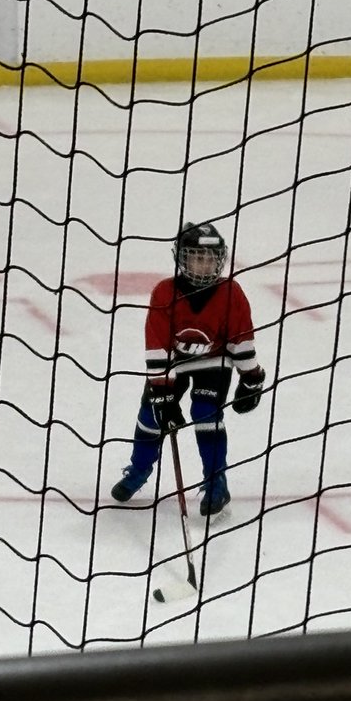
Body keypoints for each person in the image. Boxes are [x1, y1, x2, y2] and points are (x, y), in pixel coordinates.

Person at [111, 221, 266, 516]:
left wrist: (251, 377)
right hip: (173, 362)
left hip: (215, 360)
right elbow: (157, 344)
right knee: (150, 417)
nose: (205, 264)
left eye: (210, 258)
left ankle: (216, 481)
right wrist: (162, 393)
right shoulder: (164, 292)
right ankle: (139, 469)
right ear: (182, 257)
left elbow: (241, 339)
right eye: (197, 256)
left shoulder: (231, 292)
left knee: (205, 413)